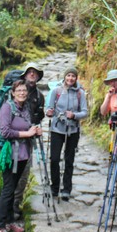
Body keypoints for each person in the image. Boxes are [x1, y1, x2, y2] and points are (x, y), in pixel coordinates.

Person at [0, 80, 42, 232]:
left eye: (24, 90)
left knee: (13, 188)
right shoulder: (7, 108)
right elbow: (5, 131)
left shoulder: (25, 107)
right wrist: (26, 134)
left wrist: (34, 131)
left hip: (22, 154)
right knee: (8, 189)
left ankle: (9, 222)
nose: (22, 93)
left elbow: (26, 126)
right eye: (19, 90)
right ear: (13, 93)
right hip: (10, 156)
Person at [46, 67, 88, 201]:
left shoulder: (80, 93)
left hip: (73, 130)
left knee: (69, 160)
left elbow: (85, 112)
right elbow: (48, 107)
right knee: (54, 159)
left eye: (73, 76)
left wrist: (74, 115)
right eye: (68, 75)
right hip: (57, 129)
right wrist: (49, 112)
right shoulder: (56, 91)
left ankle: (66, 189)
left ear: (76, 78)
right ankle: (54, 187)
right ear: (64, 77)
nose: (70, 78)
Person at [13, 64, 45, 219]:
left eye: (35, 73)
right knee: (12, 173)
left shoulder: (39, 96)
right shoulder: (17, 91)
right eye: (30, 72)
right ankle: (9, 206)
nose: (32, 75)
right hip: (14, 140)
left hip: (29, 140)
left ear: (38, 76)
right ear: (24, 75)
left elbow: (40, 115)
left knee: (24, 172)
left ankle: (16, 204)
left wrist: (37, 126)